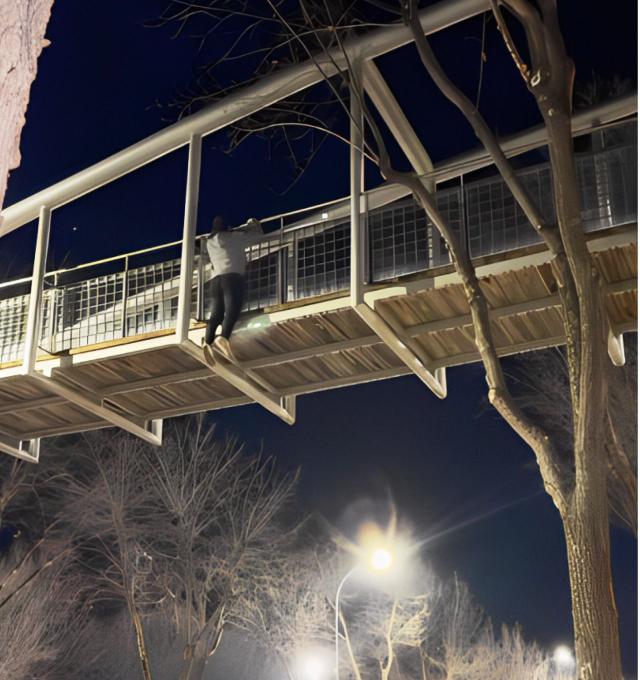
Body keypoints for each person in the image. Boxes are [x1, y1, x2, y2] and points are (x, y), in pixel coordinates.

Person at [203, 215, 263, 360]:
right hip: (233, 278)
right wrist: (252, 224)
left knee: (216, 314)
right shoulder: (234, 237)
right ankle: (223, 338)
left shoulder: (209, 242)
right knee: (232, 310)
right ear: (227, 228)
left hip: (216, 280)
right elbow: (256, 235)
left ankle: (208, 342)